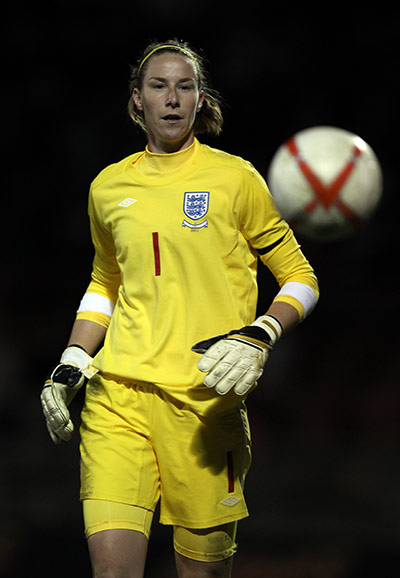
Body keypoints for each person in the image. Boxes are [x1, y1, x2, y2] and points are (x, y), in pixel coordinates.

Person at [41, 39, 319, 578]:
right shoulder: (108, 187)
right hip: (117, 399)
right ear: (137, 101)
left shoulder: (236, 179)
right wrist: (75, 356)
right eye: (158, 86)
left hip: (203, 406)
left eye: (184, 86)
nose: (172, 98)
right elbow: (106, 281)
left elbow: (301, 278)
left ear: (199, 100)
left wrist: (260, 335)